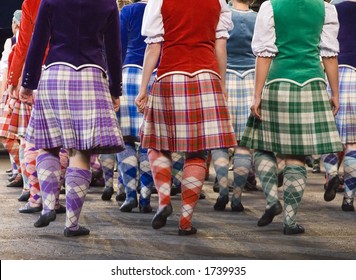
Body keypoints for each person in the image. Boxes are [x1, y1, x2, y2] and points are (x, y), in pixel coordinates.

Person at [20, 0, 124, 237]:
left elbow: (38, 42)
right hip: (91, 75)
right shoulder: (107, 3)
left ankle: (48, 206)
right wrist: (115, 89)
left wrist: (28, 82)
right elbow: (113, 49)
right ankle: (72, 224)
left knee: (48, 146)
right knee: (80, 151)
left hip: (55, 72)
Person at [240, 0, 342, 234]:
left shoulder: (270, 6)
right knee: (297, 156)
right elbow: (329, 56)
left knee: (261, 146)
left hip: (279, 81)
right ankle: (290, 221)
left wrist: (257, 94)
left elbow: (264, 55)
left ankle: (272, 200)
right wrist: (334, 92)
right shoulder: (325, 8)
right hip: (313, 83)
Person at [136, 0, 236, 235]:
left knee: (156, 146)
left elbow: (154, 47)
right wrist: (221, 84)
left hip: (170, 75)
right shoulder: (218, 2)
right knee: (198, 153)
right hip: (206, 76)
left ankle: (163, 200)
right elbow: (220, 47)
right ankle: (185, 221)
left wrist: (143, 88)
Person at [211, 0, 257, 212]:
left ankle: (222, 190)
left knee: (220, 142)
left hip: (225, 77)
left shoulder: (223, 13)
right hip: (250, 79)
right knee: (243, 145)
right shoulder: (257, 17)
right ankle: (237, 197)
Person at [331, 0, 356, 211]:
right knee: (353, 144)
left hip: (338, 72)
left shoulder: (335, 9)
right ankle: (348, 198)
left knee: (328, 134)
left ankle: (331, 174)